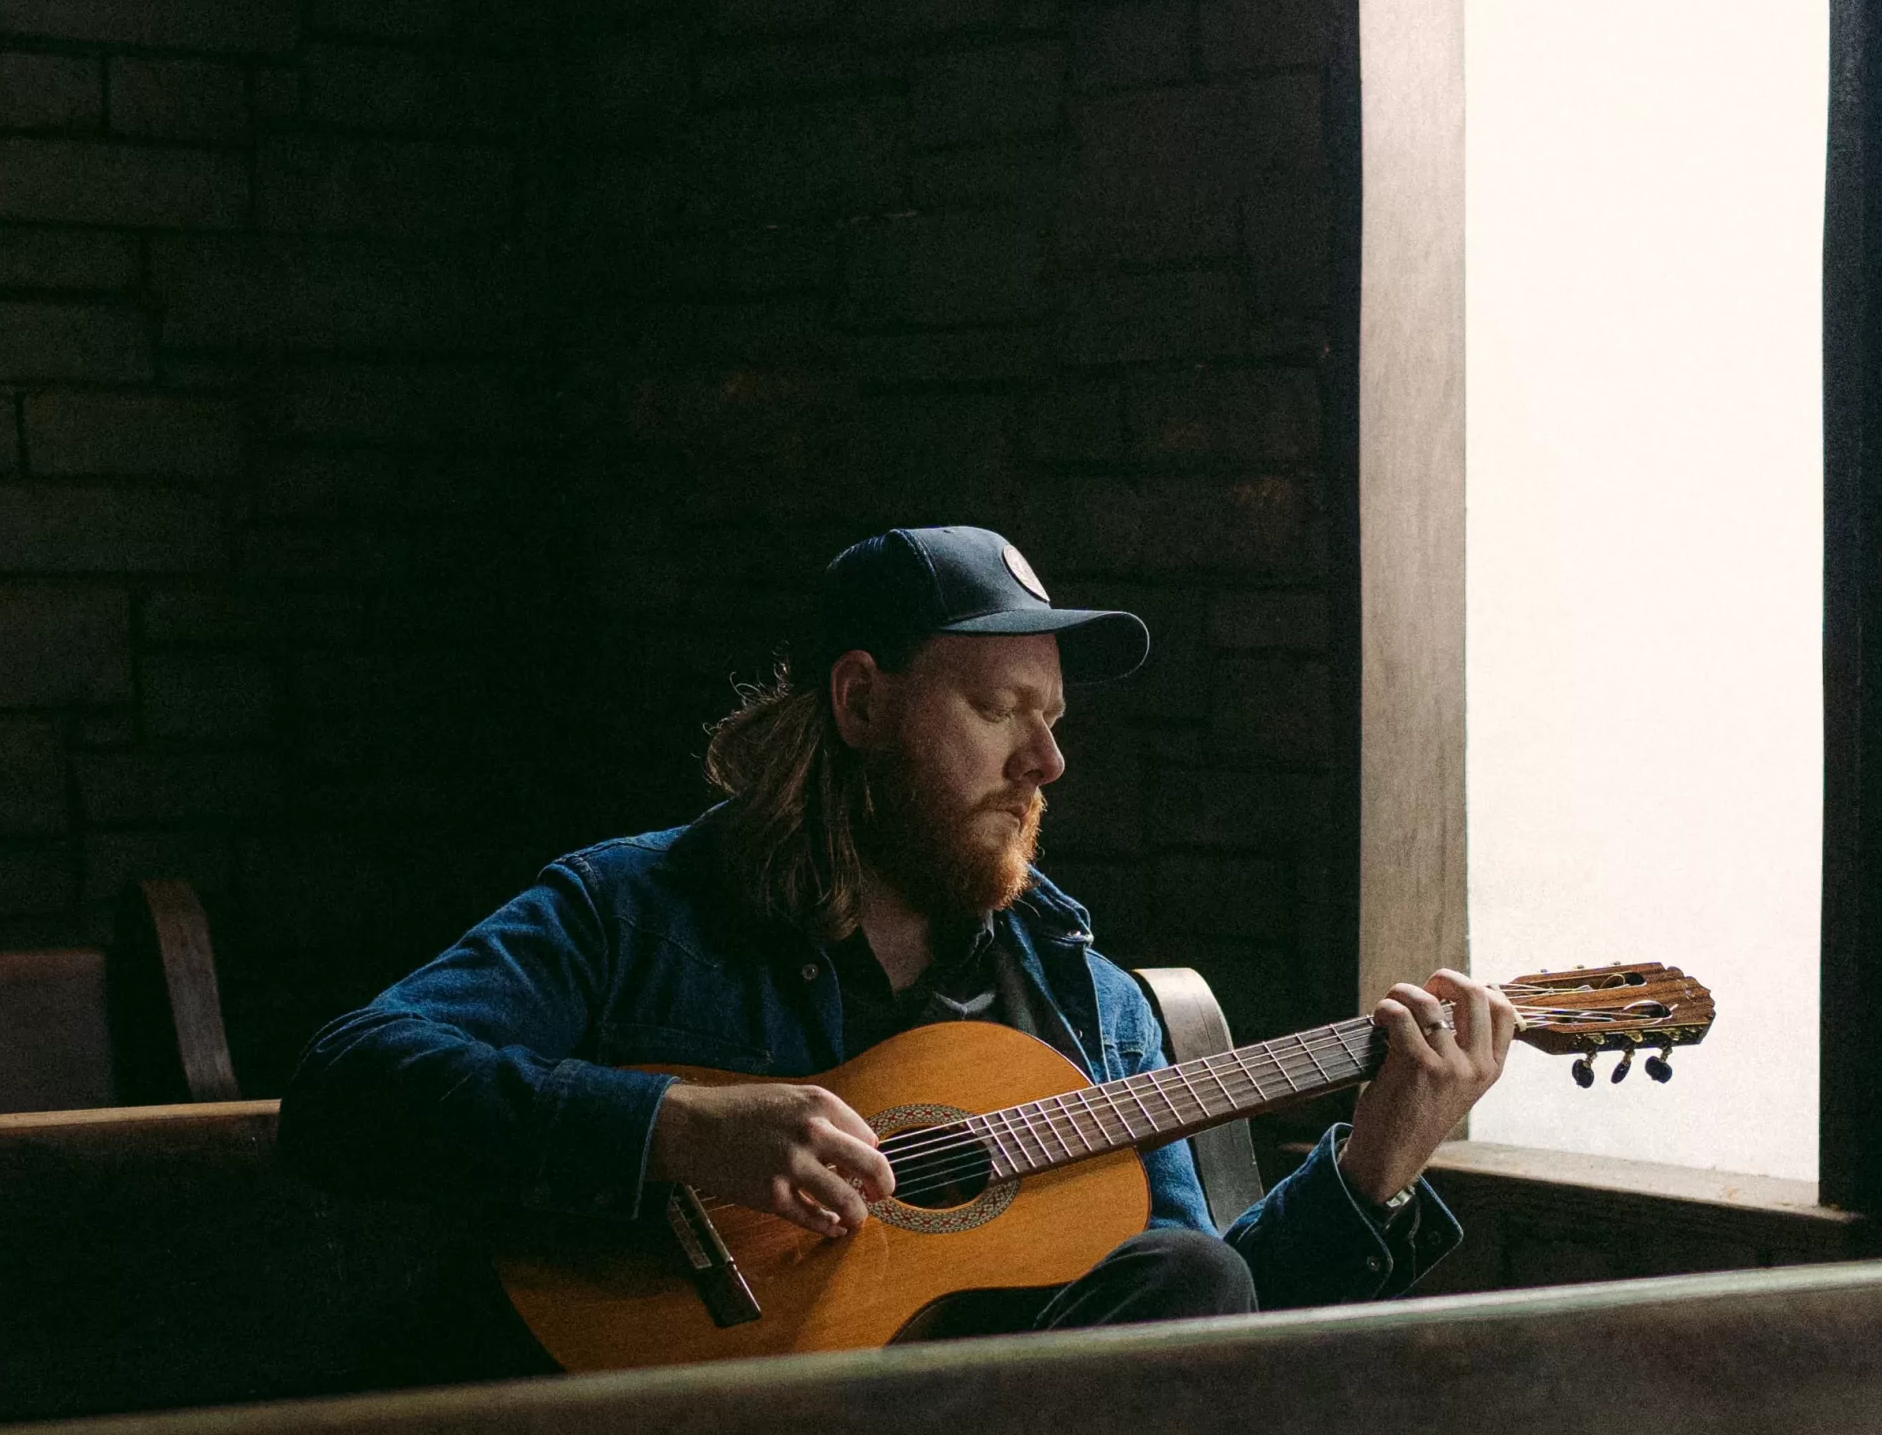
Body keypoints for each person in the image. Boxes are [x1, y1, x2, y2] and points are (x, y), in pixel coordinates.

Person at [284, 523, 1515, 1348]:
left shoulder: (1091, 1005)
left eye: (1055, 720)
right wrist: (670, 1129)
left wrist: (1374, 1169)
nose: (1047, 760)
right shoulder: (635, 910)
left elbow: (1198, 1333)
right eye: (1000, 711)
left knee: (1195, 1276)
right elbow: (346, 1087)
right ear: (862, 701)